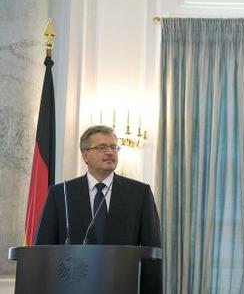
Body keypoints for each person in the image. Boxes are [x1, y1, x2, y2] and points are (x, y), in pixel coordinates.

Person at [35, 125, 161, 293]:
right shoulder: (60, 194)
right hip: (72, 287)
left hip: (122, 286)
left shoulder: (139, 193)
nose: (110, 152)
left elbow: (152, 253)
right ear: (85, 155)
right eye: (102, 147)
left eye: (114, 147)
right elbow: (43, 251)